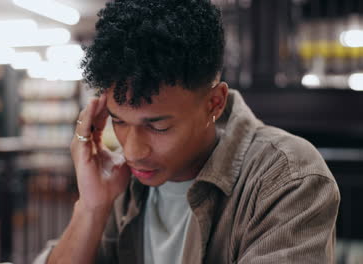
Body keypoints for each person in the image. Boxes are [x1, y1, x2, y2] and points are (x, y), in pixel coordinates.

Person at [34, 0, 340, 263]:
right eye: (120, 122)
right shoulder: (119, 181)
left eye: (158, 126)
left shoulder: (288, 177)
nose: (132, 151)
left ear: (214, 103)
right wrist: (91, 206)